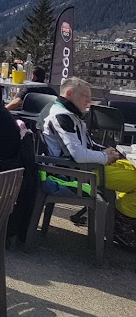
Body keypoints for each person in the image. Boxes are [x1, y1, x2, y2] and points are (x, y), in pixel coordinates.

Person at [40, 77, 136, 247]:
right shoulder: (62, 116)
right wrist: (105, 157)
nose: (90, 101)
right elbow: (77, 155)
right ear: (69, 94)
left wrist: (108, 151)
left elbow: (86, 145)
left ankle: (118, 217)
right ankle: (120, 223)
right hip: (75, 174)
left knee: (130, 166)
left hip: (85, 168)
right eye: (85, 96)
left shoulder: (69, 113)